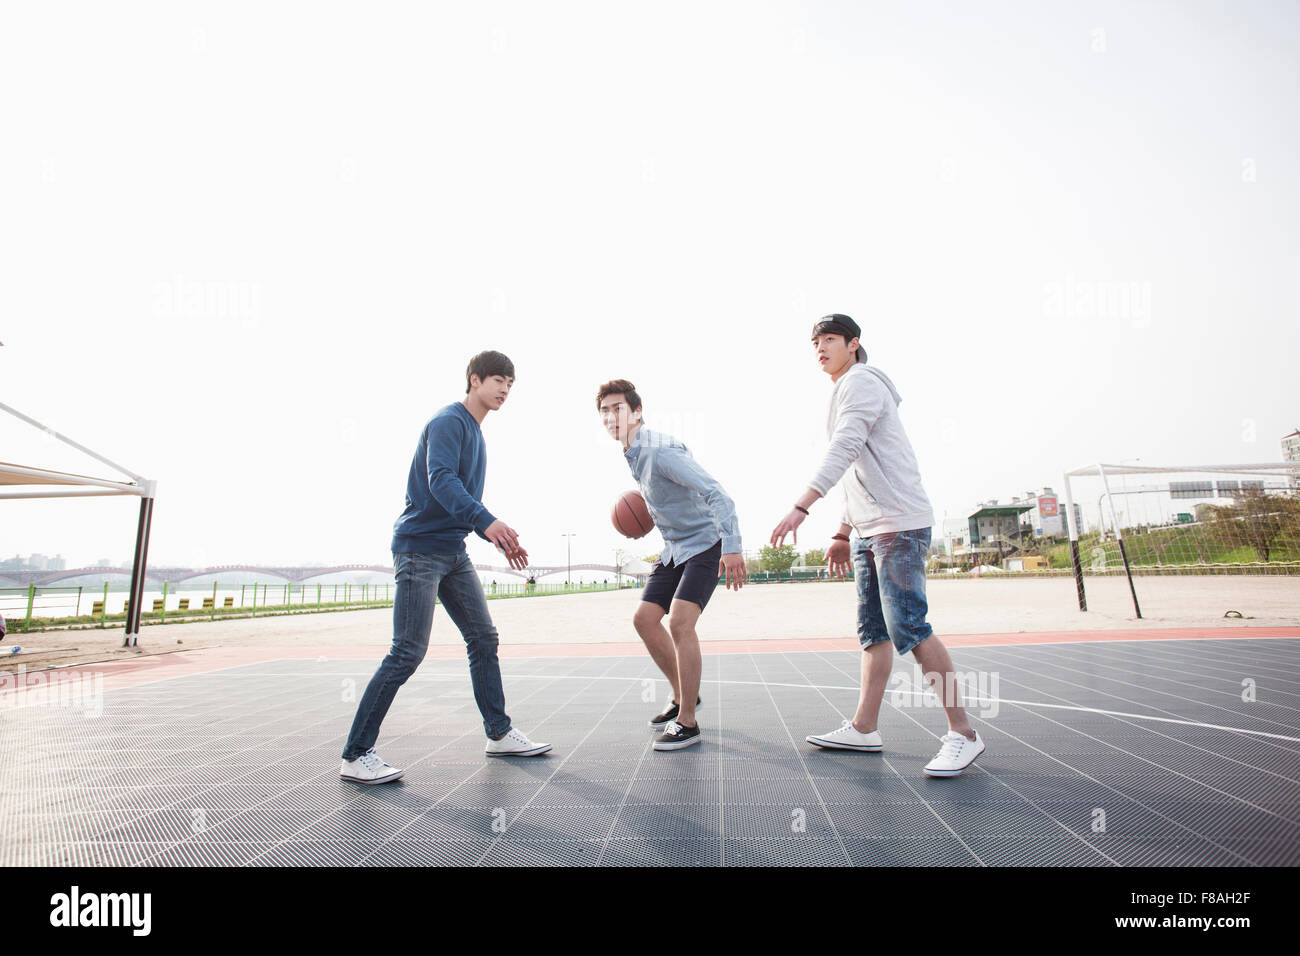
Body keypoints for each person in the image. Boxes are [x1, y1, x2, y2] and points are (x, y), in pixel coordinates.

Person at [769, 315, 985, 777]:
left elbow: (846, 446)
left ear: (854, 344)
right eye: (815, 342)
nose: (820, 348)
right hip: (870, 530)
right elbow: (858, 471)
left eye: (829, 340)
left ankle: (963, 733)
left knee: (908, 626)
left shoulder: (862, 381)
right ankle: (864, 728)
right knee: (874, 631)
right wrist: (843, 533)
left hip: (898, 527)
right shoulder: (844, 387)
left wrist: (802, 506)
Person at [340, 351, 551, 785]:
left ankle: (499, 732)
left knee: (483, 637)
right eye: (497, 379)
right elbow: (441, 481)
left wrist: (486, 531)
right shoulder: (448, 421)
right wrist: (487, 520)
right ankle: (355, 754)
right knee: (407, 652)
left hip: (452, 551)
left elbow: (456, 500)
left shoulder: (476, 434)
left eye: (510, 383)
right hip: (419, 549)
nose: (505, 389)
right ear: (474, 380)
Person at [598, 379, 746, 751]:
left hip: (705, 545)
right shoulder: (632, 452)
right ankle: (683, 696)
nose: (611, 416)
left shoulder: (659, 450)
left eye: (618, 408)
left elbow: (718, 494)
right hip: (674, 547)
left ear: (637, 411)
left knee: (680, 622)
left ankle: (688, 723)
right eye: (604, 411)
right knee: (644, 619)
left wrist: (732, 547)